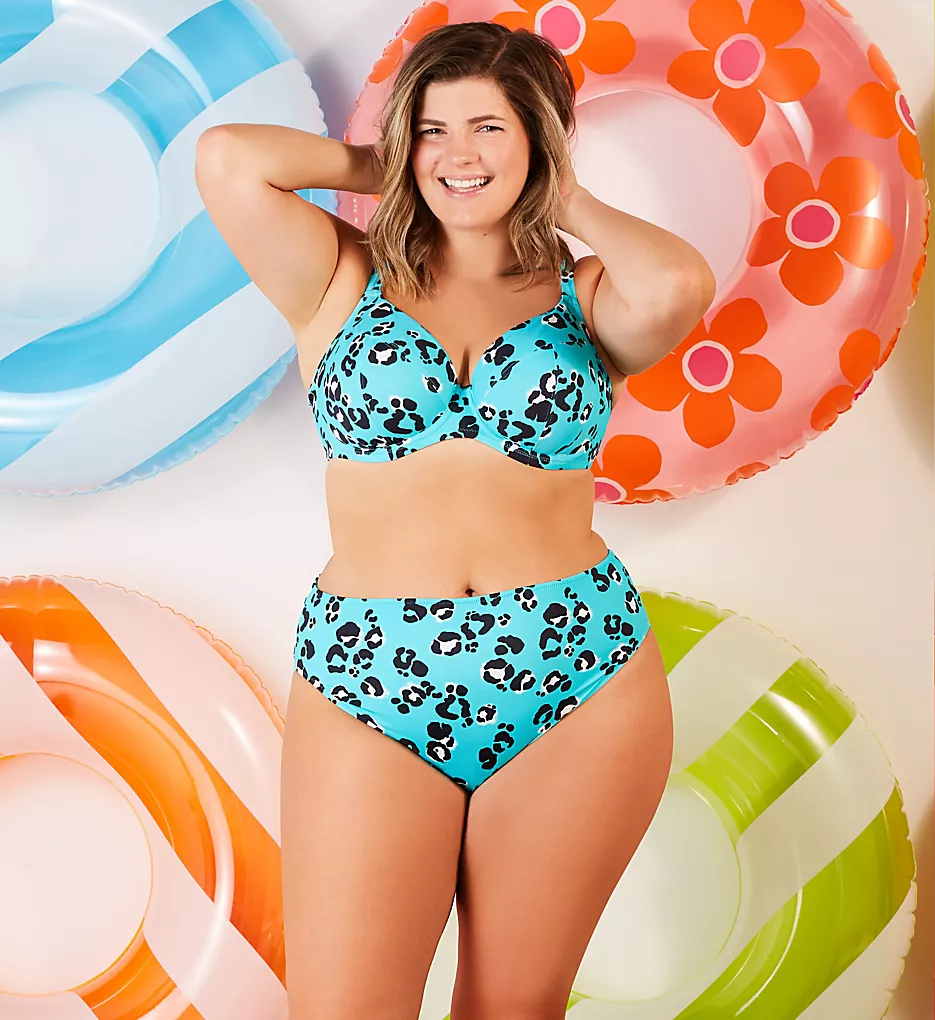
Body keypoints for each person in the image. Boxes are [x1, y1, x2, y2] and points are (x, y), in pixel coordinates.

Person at [195, 20, 715, 1020]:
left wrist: (562, 195)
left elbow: (679, 284)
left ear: (538, 137)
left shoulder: (587, 298)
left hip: (574, 669)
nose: (458, 153)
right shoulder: (336, 277)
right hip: (370, 671)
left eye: (487, 128)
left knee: (512, 1009)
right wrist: (393, 161)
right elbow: (229, 159)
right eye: (433, 128)